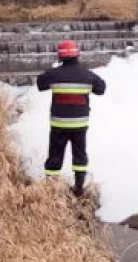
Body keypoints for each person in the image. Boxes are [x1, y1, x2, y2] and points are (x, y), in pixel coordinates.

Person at [37, 40, 106, 196]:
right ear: (77, 55)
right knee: (80, 155)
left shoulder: (54, 74)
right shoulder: (87, 75)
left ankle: (51, 189)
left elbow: (40, 84)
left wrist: (54, 72)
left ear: (60, 57)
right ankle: (79, 188)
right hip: (80, 124)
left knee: (55, 155)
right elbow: (101, 89)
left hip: (58, 124)